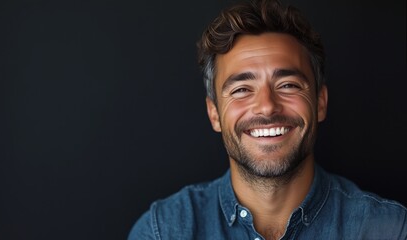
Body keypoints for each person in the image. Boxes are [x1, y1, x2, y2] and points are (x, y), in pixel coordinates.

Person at [128, 0, 407, 239]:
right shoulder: (163, 231)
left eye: (288, 85)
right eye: (241, 90)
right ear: (214, 114)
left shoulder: (388, 230)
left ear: (321, 102)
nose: (266, 107)